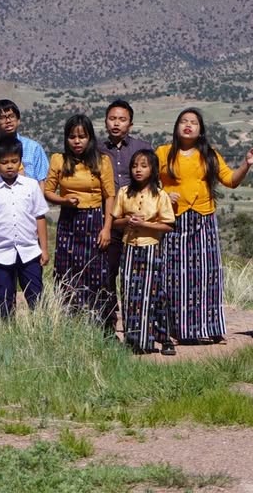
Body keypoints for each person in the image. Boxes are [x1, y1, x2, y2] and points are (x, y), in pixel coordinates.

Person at [156, 108, 253, 344]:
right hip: (174, 220)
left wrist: (247, 164)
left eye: (194, 122)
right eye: (184, 121)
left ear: (200, 129)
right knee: (175, 275)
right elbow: (146, 182)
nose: (188, 125)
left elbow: (230, 181)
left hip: (204, 219)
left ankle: (208, 327)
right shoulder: (163, 152)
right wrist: (164, 194)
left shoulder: (210, 154)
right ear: (176, 126)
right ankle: (178, 330)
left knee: (207, 274)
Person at [45, 114, 116, 325]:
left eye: (82, 136)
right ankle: (68, 320)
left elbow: (110, 195)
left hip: (94, 219)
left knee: (95, 272)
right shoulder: (59, 160)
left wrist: (107, 229)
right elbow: (48, 192)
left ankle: (97, 321)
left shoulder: (102, 161)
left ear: (90, 138)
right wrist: (63, 200)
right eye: (72, 137)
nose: (77, 141)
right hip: (68, 221)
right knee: (66, 270)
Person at [0, 137, 50, 317]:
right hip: (1, 253)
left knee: (35, 295)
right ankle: (5, 334)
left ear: (20, 161)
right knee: (2, 298)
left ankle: (40, 330)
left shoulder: (31, 186)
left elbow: (40, 217)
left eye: (14, 161)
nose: (9, 166)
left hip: (30, 251)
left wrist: (44, 248)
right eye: (4, 162)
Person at [111, 149, 176, 355]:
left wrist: (147, 225)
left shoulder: (160, 195)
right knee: (130, 293)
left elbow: (168, 225)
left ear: (153, 169)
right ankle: (134, 339)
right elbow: (115, 221)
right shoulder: (124, 192)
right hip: (129, 248)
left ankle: (162, 339)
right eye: (134, 166)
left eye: (144, 166)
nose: (138, 170)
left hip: (151, 249)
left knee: (154, 294)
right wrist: (127, 221)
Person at [100, 99, 152, 332]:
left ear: (130, 123)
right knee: (108, 273)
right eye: (112, 118)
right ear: (105, 121)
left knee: (135, 275)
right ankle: (109, 322)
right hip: (108, 221)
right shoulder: (97, 150)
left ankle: (137, 323)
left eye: (122, 119)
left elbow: (152, 181)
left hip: (137, 223)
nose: (116, 123)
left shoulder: (142, 148)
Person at [0, 99, 49, 189]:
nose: (8, 121)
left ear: (18, 120)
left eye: (11, 116)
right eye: (2, 118)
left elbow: (42, 181)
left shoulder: (33, 148)